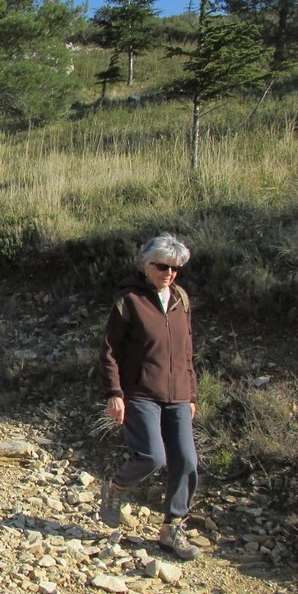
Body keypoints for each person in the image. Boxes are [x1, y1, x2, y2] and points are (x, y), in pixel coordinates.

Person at [98, 233, 201, 561]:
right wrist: (115, 393)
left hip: (179, 395)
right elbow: (109, 350)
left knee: (186, 460)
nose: (169, 273)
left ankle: (172, 527)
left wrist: (192, 392)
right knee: (152, 456)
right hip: (140, 392)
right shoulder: (129, 299)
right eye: (162, 266)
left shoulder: (181, 298)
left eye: (175, 268)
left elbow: (186, 351)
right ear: (146, 264)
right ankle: (115, 489)